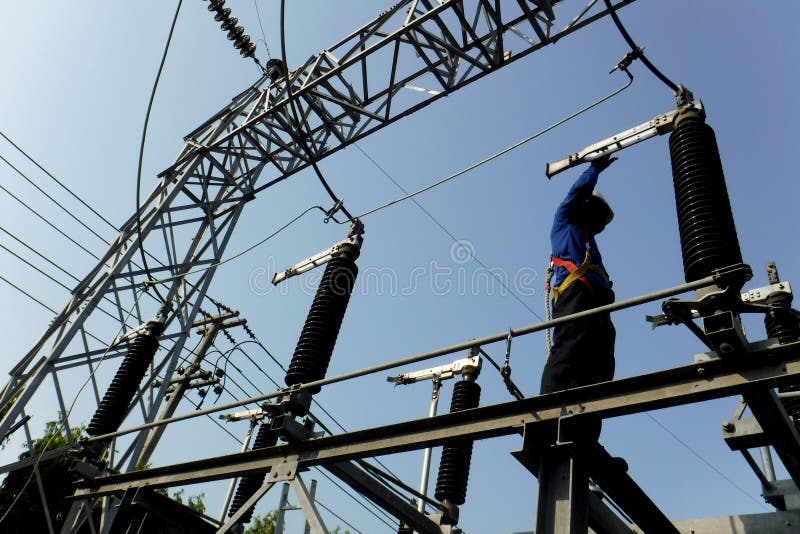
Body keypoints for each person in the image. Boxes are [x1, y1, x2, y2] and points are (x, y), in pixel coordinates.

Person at [541, 154, 617, 440]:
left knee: (601, 362)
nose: (599, 224)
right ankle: (548, 417)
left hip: (596, 301)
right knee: (571, 348)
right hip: (575, 295)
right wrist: (594, 169)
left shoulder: (588, 238)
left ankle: (586, 433)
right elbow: (575, 194)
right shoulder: (565, 221)